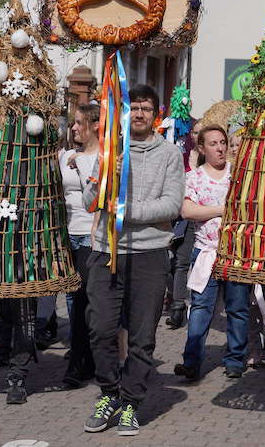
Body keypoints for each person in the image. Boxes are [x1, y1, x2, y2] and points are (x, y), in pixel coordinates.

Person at [81, 84, 184, 436]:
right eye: (133, 108)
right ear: (125, 113)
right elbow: (89, 201)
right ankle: (109, 392)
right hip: (105, 250)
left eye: (145, 108)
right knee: (100, 328)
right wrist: (105, 175)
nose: (138, 113)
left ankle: (130, 403)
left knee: (142, 337)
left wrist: (129, 212)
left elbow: (172, 205)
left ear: (156, 115)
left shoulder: (170, 154)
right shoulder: (110, 150)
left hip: (150, 254)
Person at [173, 125, 250, 381]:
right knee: (200, 308)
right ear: (202, 148)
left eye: (222, 143)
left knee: (238, 307)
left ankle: (235, 359)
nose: (220, 148)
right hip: (205, 252)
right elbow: (188, 211)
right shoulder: (194, 177)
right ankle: (192, 361)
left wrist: (209, 208)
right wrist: (222, 209)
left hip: (235, 253)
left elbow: (247, 209)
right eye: (213, 143)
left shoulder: (238, 175)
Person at [58, 103, 99, 388]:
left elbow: (96, 196)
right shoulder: (67, 155)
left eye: (79, 123)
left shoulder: (105, 157)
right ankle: (82, 353)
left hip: (90, 233)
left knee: (85, 297)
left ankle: (79, 362)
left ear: (94, 125)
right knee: (73, 298)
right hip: (68, 234)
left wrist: (83, 165)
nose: (73, 128)